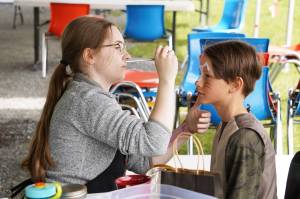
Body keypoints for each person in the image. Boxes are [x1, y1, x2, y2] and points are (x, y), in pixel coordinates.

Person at [21, 16, 210, 193]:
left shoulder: (92, 96)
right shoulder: (88, 101)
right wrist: (167, 80)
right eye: (118, 47)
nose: (126, 55)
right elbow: (153, 143)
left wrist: (186, 128)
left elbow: (148, 161)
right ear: (90, 56)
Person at [192, 40, 277, 199]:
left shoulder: (244, 137)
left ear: (235, 84)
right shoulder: (226, 124)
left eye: (207, 75)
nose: (198, 81)